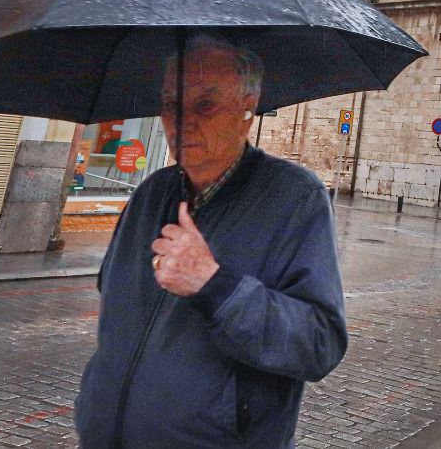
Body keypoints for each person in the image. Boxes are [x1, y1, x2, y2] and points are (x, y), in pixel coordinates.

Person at [75, 35, 347, 448]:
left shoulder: (294, 198)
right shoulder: (150, 193)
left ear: (247, 108)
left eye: (204, 104)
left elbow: (318, 344)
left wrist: (214, 285)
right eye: (170, 104)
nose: (181, 121)